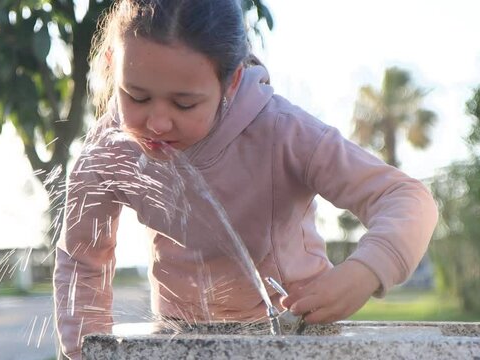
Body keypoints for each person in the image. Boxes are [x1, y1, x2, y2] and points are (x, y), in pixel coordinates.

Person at [53, 0, 439, 358]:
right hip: (179, 342)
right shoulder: (110, 149)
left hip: (293, 339)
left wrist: (365, 272)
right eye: (135, 96)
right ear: (111, 62)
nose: (156, 122)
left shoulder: (281, 132)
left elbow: (407, 198)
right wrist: (83, 351)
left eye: (184, 103)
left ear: (233, 81)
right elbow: (82, 262)